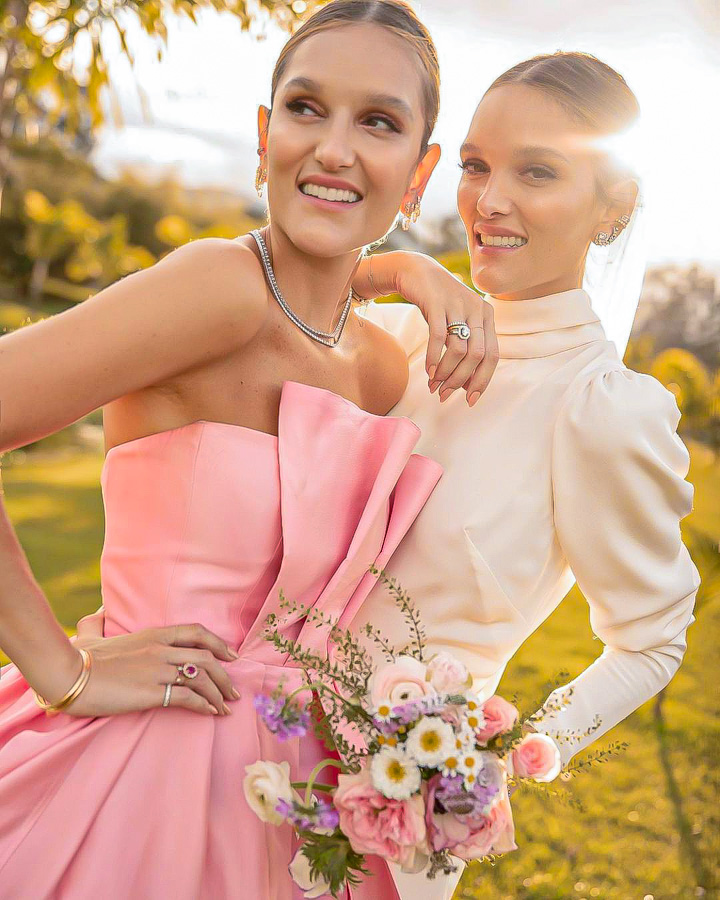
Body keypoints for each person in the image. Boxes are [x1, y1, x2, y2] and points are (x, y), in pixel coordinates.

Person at [0, 3, 495, 897]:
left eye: (377, 122)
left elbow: (326, 279)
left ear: (420, 174)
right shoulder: (216, 288)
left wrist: (409, 270)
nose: (335, 149)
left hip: (297, 796)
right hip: (143, 776)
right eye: (307, 110)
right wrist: (60, 669)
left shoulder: (380, 364)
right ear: (266, 138)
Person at [346, 50, 701, 898]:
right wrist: (401, 267)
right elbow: (259, 295)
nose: (489, 201)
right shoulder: (397, 332)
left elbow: (652, 636)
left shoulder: (599, 408)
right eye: (475, 166)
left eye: (536, 171)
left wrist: (513, 750)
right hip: (245, 745)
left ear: (611, 206)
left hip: (392, 820)